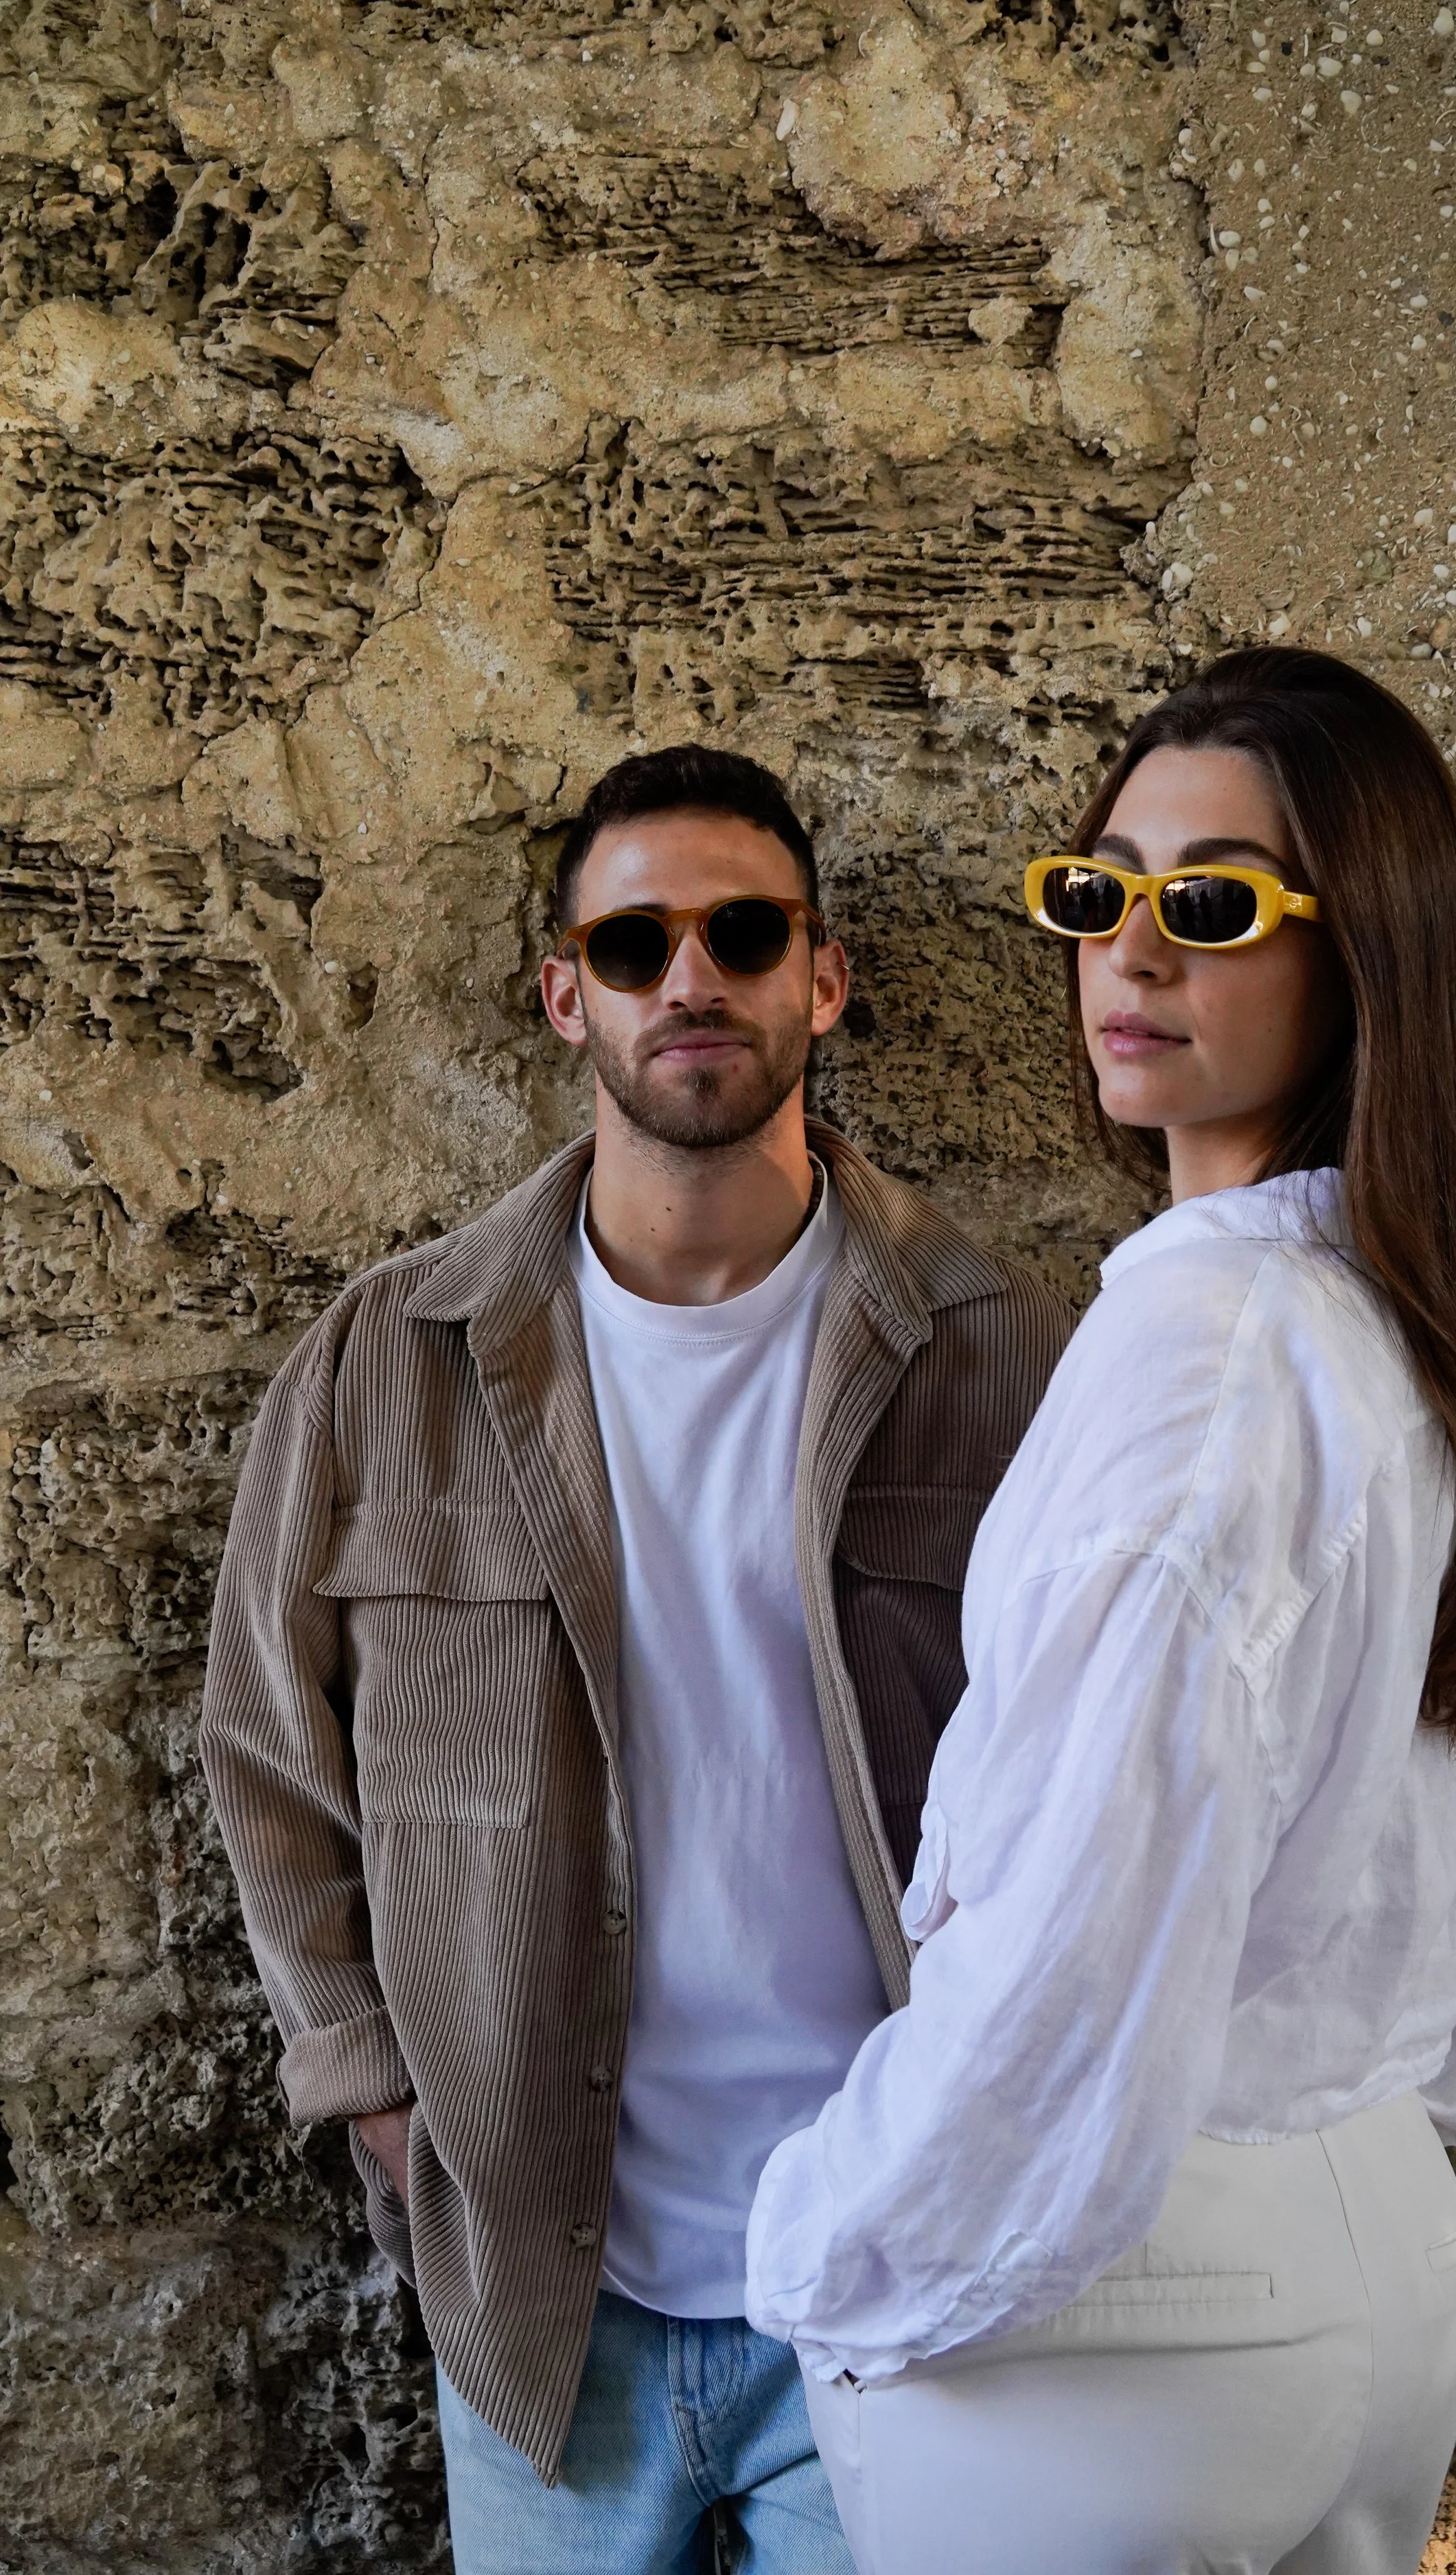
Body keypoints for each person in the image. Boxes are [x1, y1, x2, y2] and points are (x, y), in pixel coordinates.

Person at [746, 649, 1456, 2575]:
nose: (1128, 952)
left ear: (1364, 952)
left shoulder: (1203, 1349)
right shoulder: (1447, 1339)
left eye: (1213, 903)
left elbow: (1077, 1912)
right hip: (1379, 2243)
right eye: (1099, 890)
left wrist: (834, 2235)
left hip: (1121, 2288)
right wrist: (1406, 2091)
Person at [200, 745, 1069, 2575]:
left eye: (743, 933)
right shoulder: (393, 1358)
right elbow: (269, 1746)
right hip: (547, 2288)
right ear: (564, 994)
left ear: (821, 976)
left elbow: (1100, 1764)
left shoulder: (995, 1352)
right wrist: (376, 2091)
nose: (691, 978)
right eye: (633, 942)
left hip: (894, 2272)